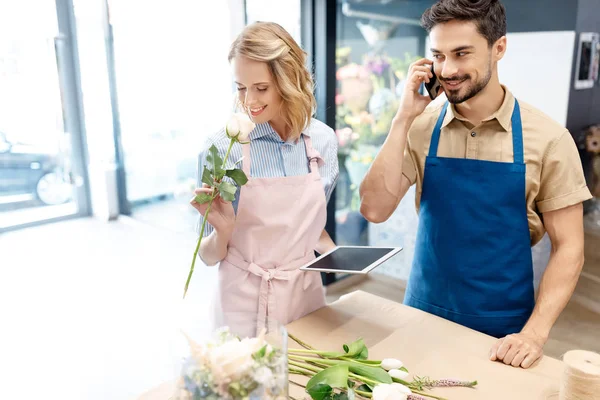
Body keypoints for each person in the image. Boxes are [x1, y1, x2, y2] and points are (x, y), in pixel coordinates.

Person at [359, 0, 592, 369]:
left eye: (462, 53)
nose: (447, 69)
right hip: (421, 312)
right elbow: (374, 209)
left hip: (502, 330)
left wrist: (534, 334)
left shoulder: (548, 139)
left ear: (499, 47)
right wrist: (403, 117)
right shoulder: (420, 125)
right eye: (438, 55)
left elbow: (570, 249)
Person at [190, 21, 339, 338]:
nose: (249, 101)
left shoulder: (323, 141)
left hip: (304, 295)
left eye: (261, 88)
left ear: (290, 82)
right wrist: (224, 231)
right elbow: (205, 255)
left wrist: (337, 254)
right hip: (243, 303)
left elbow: (309, 227)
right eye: (241, 87)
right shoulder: (221, 149)